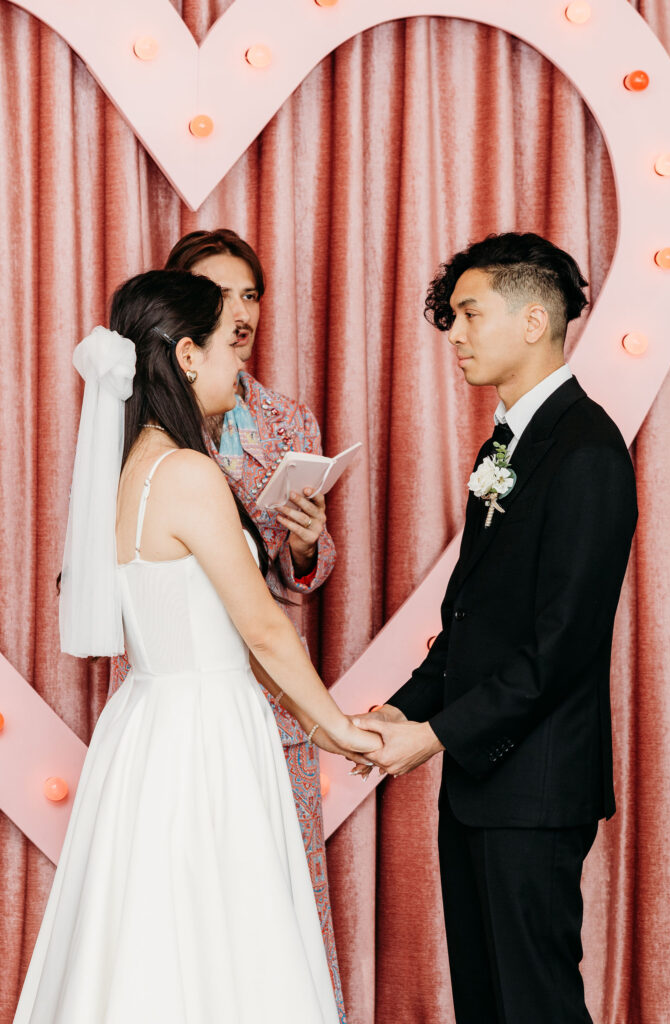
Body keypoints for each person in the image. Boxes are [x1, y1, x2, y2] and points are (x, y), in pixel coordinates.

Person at [13, 270, 379, 1024]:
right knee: (222, 940)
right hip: (204, 733)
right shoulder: (186, 473)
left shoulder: (132, 469)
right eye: (227, 350)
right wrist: (338, 730)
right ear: (185, 357)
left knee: (150, 938)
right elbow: (264, 629)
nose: (238, 368)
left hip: (147, 726)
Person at [355, 233, 638, 1024]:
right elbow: (470, 616)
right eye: (451, 317)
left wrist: (435, 734)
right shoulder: (504, 444)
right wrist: (404, 711)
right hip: (481, 784)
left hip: (536, 788)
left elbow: (560, 648)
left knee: (535, 1005)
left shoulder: (585, 451)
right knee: (486, 1002)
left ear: (534, 319)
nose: (454, 333)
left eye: (469, 314)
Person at [161, 228, 348, 1019]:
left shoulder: (288, 419)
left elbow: (300, 585)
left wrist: (305, 544)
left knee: (275, 887)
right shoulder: (152, 420)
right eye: (216, 295)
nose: (237, 313)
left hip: (277, 697)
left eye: (249, 295)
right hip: (189, 681)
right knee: (190, 891)